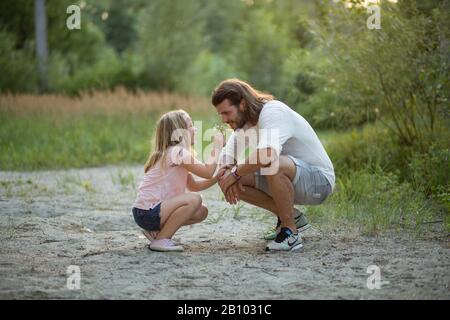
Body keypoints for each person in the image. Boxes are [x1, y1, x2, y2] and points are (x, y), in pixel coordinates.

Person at [213, 79, 335, 252]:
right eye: (221, 114)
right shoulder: (245, 123)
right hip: (294, 179)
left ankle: (290, 233)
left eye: (227, 112)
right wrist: (226, 172)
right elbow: (227, 154)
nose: (224, 119)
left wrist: (235, 174)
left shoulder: (273, 111)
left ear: (242, 104)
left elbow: (267, 154)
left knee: (271, 162)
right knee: (229, 177)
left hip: (319, 182)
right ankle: (293, 218)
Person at [132, 109, 223, 252]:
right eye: (191, 125)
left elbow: (194, 185)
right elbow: (207, 172)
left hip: (147, 213)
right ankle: (162, 240)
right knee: (195, 200)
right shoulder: (177, 152)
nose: (195, 129)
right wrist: (216, 147)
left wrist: (218, 177)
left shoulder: (173, 153)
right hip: (148, 212)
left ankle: (157, 233)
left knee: (201, 211)